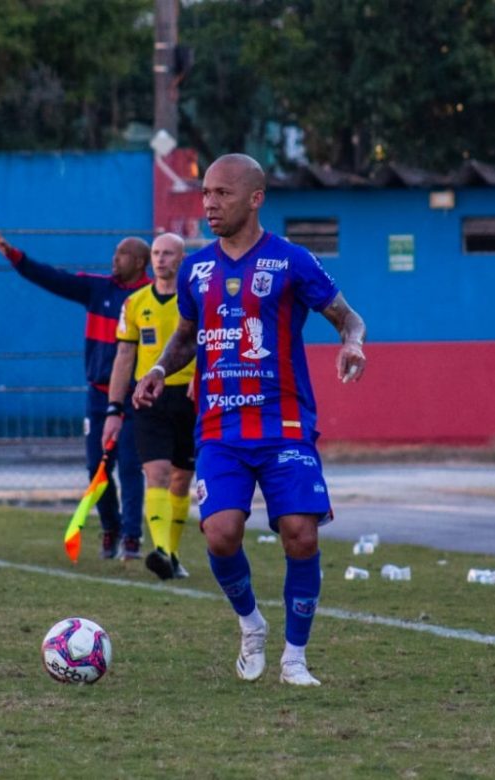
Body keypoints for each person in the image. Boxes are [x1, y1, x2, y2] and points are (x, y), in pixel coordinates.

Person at [132, 153, 366, 687]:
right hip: (219, 428)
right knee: (220, 533)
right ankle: (252, 626)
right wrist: (161, 368)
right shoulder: (197, 268)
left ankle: (295, 659)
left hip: (284, 425)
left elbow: (347, 316)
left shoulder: (291, 261)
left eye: (222, 194)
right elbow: (188, 335)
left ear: (255, 199)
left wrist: (353, 343)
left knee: (301, 535)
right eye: (206, 194)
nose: (209, 204)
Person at [0, 227, 149, 560]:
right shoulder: (97, 288)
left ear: (140, 261)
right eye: (115, 252)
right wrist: (16, 256)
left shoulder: (150, 295)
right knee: (96, 466)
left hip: (136, 397)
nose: (115, 259)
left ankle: (132, 536)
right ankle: (111, 526)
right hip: (99, 395)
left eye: (123, 254)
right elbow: (53, 278)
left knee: (131, 467)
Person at [103, 233, 197, 581]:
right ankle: (161, 551)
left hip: (188, 398)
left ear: (182, 258)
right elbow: (124, 356)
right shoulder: (135, 303)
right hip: (148, 397)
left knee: (181, 481)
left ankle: (171, 552)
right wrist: (114, 407)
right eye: (156, 253)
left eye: (168, 253)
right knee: (155, 474)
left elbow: (209, 345)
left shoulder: (195, 302)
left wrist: (199, 377)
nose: (161, 259)